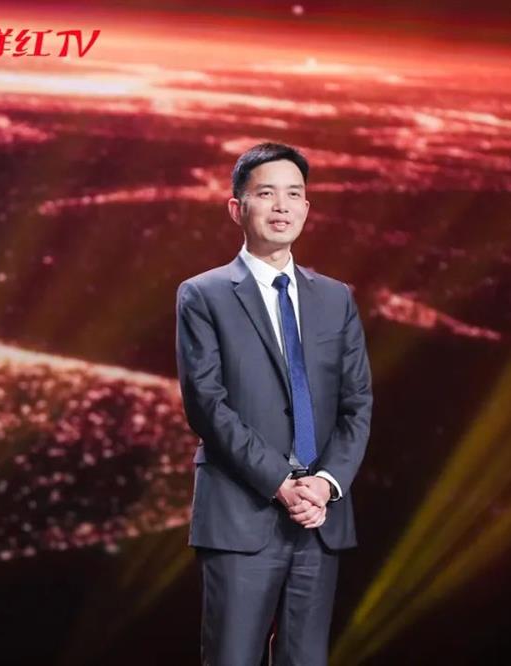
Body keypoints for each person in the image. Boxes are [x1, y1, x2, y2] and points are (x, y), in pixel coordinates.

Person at [175, 142, 373, 665]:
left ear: (306, 208)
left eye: (293, 194)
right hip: (242, 514)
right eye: (266, 193)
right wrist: (281, 483)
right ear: (236, 208)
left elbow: (357, 403)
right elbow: (207, 404)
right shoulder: (204, 295)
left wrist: (325, 484)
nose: (282, 206)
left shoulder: (335, 297)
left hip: (320, 518)